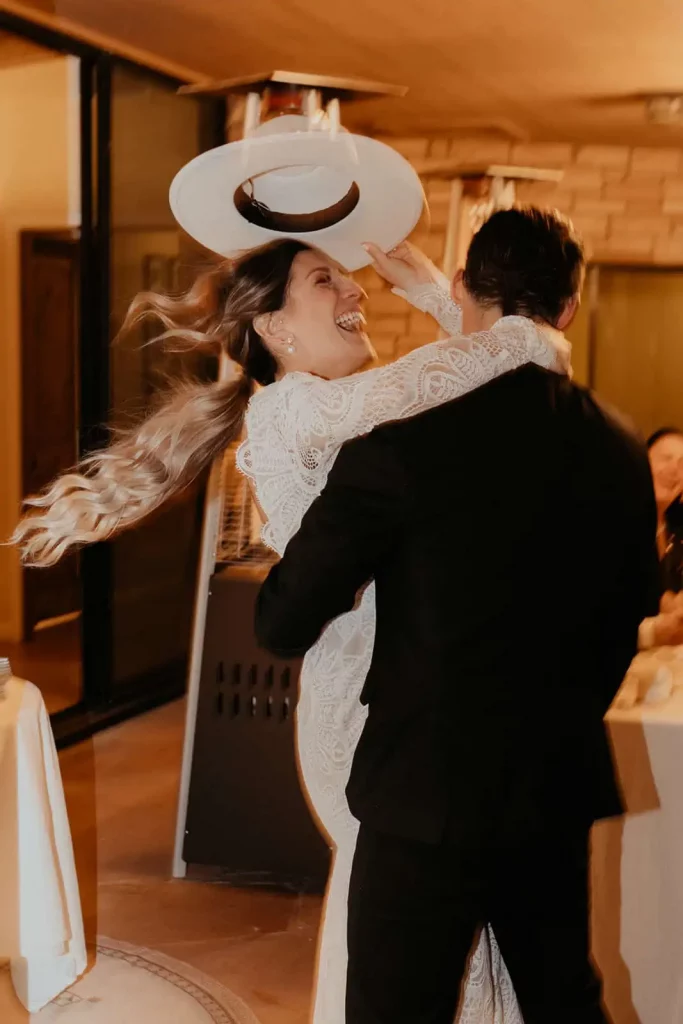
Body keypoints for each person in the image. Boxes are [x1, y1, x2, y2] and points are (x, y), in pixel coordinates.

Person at [12, 228, 567, 1024]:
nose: (354, 290)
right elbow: (499, 361)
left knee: (436, 921)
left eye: (347, 278)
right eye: (323, 281)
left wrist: (447, 300)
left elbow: (499, 378)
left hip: (412, 699)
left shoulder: (341, 412)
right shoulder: (293, 408)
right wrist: (451, 298)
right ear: (274, 327)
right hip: (366, 708)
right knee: (429, 925)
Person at [255, 208, 660, 1024]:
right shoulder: (619, 448)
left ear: (466, 287)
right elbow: (629, 612)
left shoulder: (400, 439)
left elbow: (283, 622)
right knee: (563, 1002)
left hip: (419, 795)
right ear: (567, 311)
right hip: (550, 788)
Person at [637, 427, 683, 649]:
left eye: (682, 465)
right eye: (665, 458)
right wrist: (654, 633)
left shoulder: (676, 528)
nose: (674, 469)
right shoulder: (614, 527)